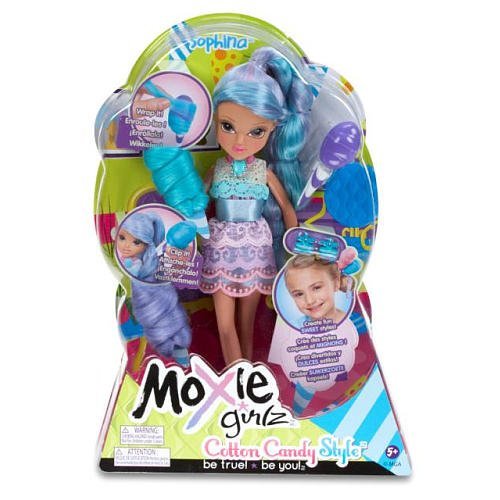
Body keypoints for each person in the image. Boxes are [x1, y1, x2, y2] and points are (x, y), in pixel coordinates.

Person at [199, 47, 313, 365]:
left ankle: (249, 380)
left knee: (246, 325)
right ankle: (236, 379)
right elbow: (197, 206)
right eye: (228, 126)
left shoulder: (265, 171)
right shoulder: (216, 169)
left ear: (273, 127)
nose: (240, 141)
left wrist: (294, 250)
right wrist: (191, 236)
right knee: (224, 325)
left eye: (256, 131)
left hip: (255, 250)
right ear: (215, 119)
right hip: (220, 249)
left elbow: (287, 208)